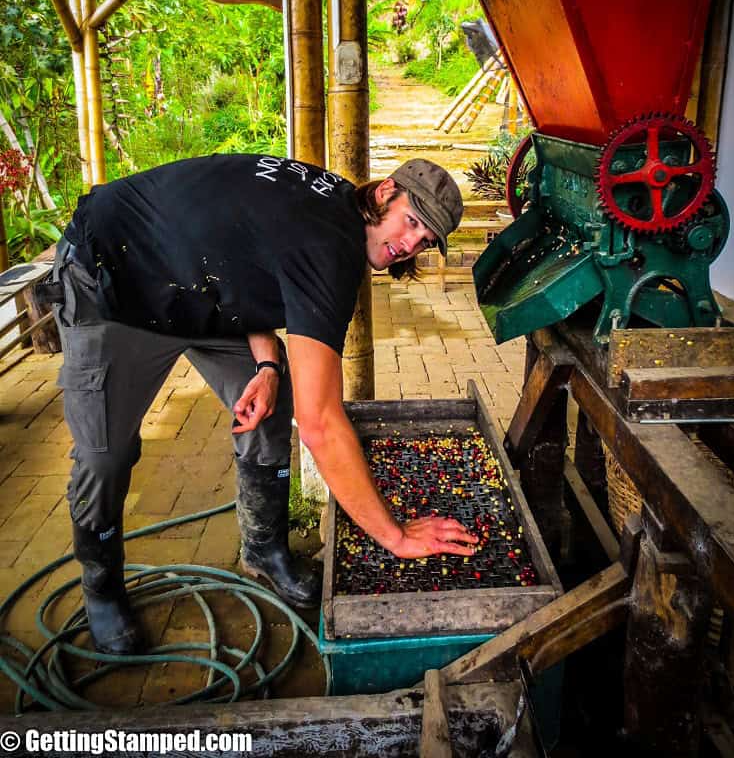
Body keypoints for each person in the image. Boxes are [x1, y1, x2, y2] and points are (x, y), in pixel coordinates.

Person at [50, 154, 478, 655]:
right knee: (105, 456)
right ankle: (101, 585)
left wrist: (267, 367)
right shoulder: (330, 245)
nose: (408, 246)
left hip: (196, 289)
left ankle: (264, 548)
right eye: (411, 223)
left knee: (273, 403)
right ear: (385, 193)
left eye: (423, 241)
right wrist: (396, 536)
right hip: (113, 281)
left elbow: (245, 266)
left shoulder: (335, 206)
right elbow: (321, 423)